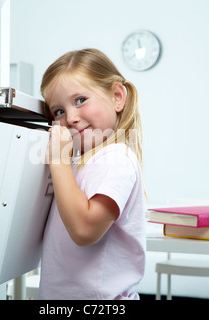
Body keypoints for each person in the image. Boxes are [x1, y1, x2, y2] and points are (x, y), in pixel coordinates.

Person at [38, 48, 145, 300]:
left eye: (80, 100)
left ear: (117, 97)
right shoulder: (79, 163)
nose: (71, 118)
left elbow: (84, 230)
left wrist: (58, 160)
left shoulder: (117, 157)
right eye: (59, 111)